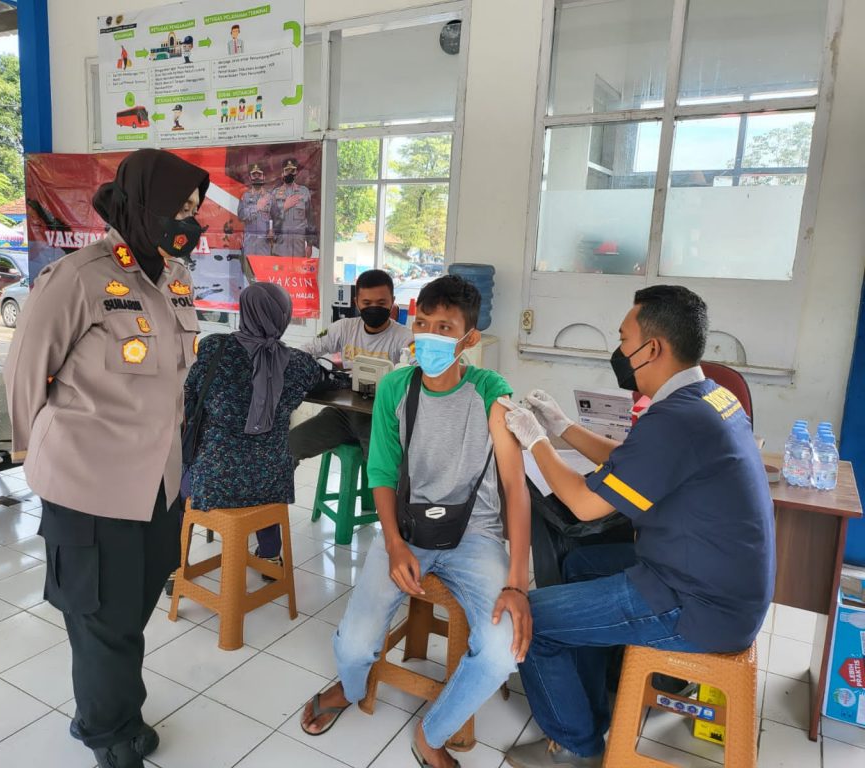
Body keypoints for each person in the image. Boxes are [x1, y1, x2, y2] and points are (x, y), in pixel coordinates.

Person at [501, 285, 775, 768]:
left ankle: (575, 747)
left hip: (697, 605)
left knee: (532, 619)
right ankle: (592, 711)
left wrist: (536, 441)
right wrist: (564, 428)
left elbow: (584, 504)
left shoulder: (676, 419)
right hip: (718, 583)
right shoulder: (709, 398)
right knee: (581, 564)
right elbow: (631, 462)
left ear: (652, 348)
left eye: (624, 339)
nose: (620, 350)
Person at [5, 148, 208, 768]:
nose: (189, 220)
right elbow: (24, 373)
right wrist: (36, 457)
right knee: (100, 617)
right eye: (179, 207)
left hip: (157, 481)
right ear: (142, 206)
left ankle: (108, 709)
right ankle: (109, 733)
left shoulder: (175, 277)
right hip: (89, 482)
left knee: (131, 608)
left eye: (194, 208)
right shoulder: (78, 278)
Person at [299, 276, 531, 768]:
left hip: (475, 535)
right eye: (423, 323)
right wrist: (393, 543)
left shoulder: (490, 391)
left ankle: (432, 733)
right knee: (355, 645)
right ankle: (351, 686)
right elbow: (382, 471)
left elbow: (516, 487)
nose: (429, 336)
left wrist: (517, 583)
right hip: (407, 528)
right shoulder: (395, 387)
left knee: (502, 651)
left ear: (469, 338)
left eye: (444, 327)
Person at [186, 283, 320, 571]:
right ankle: (270, 555)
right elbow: (327, 380)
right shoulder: (300, 364)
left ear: (245, 311)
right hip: (271, 482)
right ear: (284, 315)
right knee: (263, 470)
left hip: (214, 478)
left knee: (175, 487)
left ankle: (174, 566)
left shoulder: (214, 348)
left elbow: (189, 394)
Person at [288, 269, 412, 467]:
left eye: (381, 303)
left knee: (381, 470)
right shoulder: (344, 328)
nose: (374, 308)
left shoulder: (404, 337)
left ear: (392, 301)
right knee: (287, 448)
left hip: (381, 419)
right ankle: (274, 488)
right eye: (367, 303)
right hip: (343, 414)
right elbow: (305, 351)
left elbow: (417, 371)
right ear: (356, 302)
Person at [237, 162, 273, 283]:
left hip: (265, 243)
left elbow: (276, 218)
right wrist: (256, 207)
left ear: (264, 176)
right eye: (254, 174)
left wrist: (272, 230)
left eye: (259, 174)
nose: (257, 177)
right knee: (250, 276)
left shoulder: (270, 197)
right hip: (250, 241)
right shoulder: (245, 197)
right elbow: (241, 216)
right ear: (250, 177)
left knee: (265, 275)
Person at [270, 157, 314, 257]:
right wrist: (284, 207)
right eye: (287, 171)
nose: (289, 173)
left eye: (292, 170)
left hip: (298, 248)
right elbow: (270, 219)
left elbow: (310, 220)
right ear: (282, 173)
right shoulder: (275, 194)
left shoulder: (304, 192)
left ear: (296, 172)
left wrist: (310, 244)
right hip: (280, 249)